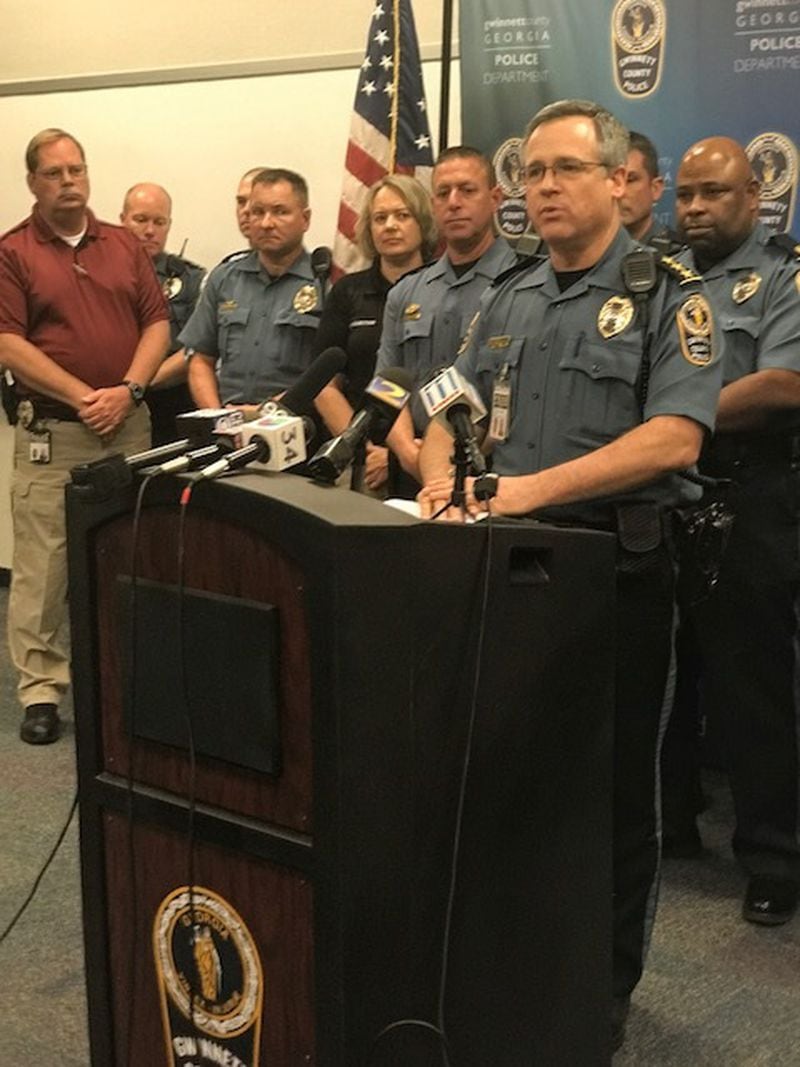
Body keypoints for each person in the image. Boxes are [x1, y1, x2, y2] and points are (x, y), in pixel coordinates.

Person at [417, 100, 722, 1048]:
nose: (542, 188)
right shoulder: (506, 296)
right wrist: (439, 484)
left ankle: (602, 988)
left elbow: (675, 436)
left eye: (566, 170)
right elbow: (443, 403)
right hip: (504, 570)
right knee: (511, 774)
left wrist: (522, 488)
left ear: (619, 180)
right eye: (533, 172)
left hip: (614, 572)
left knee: (614, 793)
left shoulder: (672, 292)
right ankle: (515, 957)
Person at [666, 136, 800, 925]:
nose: (695, 208)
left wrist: (673, 416)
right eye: (684, 194)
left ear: (755, 197)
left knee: (753, 687)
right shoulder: (656, 278)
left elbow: (785, 382)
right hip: (665, 492)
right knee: (665, 676)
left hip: (751, 492)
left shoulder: (783, 277)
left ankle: (775, 853)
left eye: (713, 193)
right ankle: (671, 823)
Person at [0, 128, 169, 744]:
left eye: (77, 170)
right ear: (32, 184)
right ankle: (41, 691)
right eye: (54, 173)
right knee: (44, 566)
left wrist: (129, 390)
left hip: (130, 426)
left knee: (134, 550)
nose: (69, 181)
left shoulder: (124, 245)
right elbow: (9, 343)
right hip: (57, 433)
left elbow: (156, 323)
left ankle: (130, 676)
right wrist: (83, 397)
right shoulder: (13, 252)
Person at [375, 146, 517, 490]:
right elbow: (386, 385)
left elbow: (518, 393)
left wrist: (466, 462)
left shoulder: (522, 284)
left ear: (495, 198)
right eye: (443, 193)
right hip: (411, 469)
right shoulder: (406, 292)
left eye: (467, 191)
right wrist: (412, 456)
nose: (454, 202)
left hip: (492, 471)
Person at [313, 174, 436, 491]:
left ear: (423, 221)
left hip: (428, 455)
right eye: (380, 218)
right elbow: (325, 386)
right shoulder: (347, 291)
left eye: (402, 215)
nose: (390, 226)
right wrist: (364, 450)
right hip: (359, 461)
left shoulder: (445, 290)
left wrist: (400, 455)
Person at [181, 168, 321, 412]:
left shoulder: (324, 283)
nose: (266, 223)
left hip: (297, 428)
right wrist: (218, 418)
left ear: (305, 219)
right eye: (258, 212)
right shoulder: (224, 279)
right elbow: (200, 360)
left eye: (280, 212)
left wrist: (264, 413)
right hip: (226, 427)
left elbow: (330, 376)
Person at [120, 182, 205, 444]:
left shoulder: (191, 279)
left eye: (159, 222)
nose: (149, 231)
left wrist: (139, 383)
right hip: (109, 401)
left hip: (168, 403)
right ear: (123, 220)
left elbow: (197, 350)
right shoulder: (97, 273)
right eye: (141, 220)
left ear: (169, 224)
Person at [620, 131, 681, 253]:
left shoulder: (681, 255)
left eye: (630, 180)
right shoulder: (581, 256)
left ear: (655, 189)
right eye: (612, 180)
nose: (620, 191)